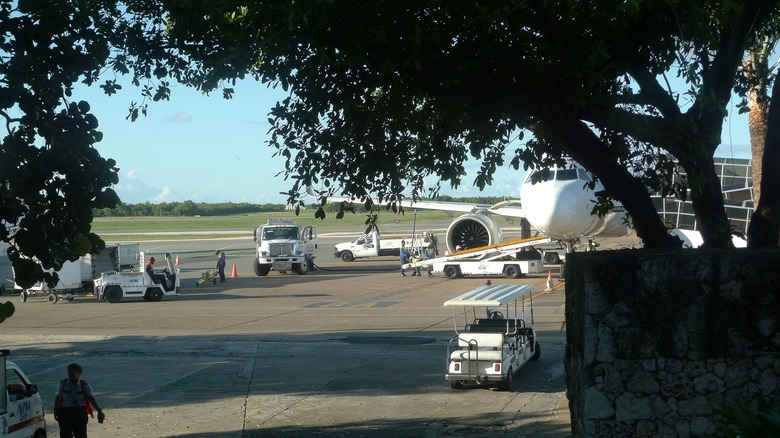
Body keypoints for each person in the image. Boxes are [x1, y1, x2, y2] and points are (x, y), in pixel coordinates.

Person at [54, 363, 104, 438]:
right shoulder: (63, 384)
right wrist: (55, 410)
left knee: (81, 434)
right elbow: (57, 397)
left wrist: (99, 410)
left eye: (72, 372)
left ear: (78, 373)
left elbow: (91, 398)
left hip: (79, 413)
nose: (70, 374)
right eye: (69, 372)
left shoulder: (84, 385)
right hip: (65, 413)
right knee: (65, 434)